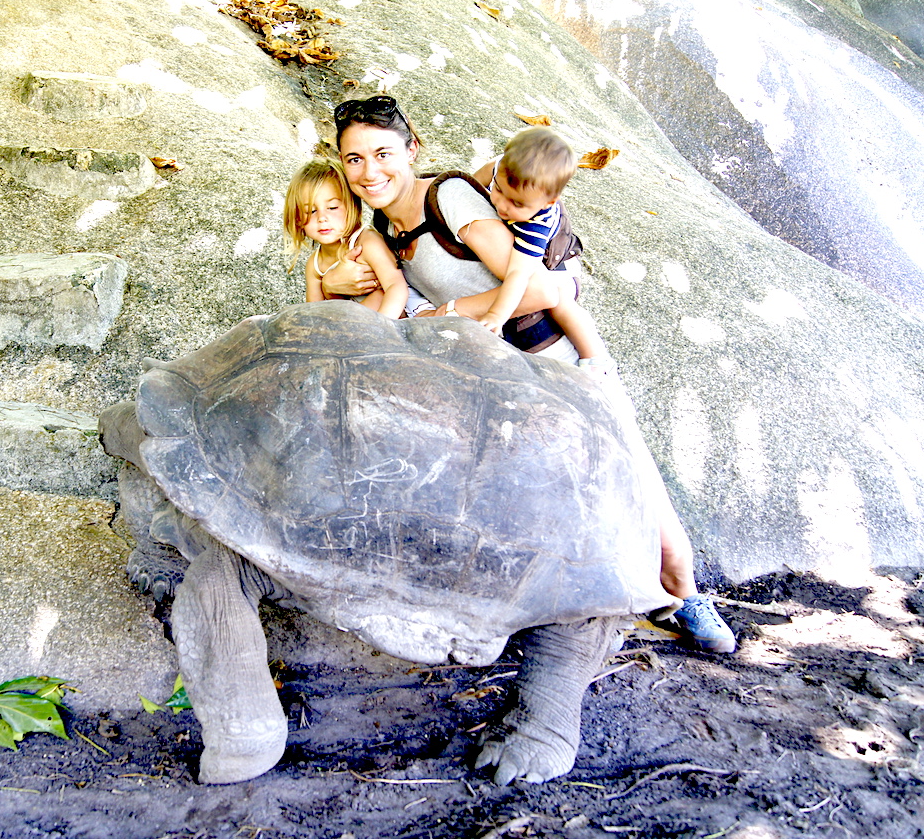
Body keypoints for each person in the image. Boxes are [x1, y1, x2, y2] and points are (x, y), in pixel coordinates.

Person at [323, 94, 735, 654]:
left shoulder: (449, 199)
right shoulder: (381, 228)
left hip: (555, 361)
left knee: (637, 489)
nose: (370, 172)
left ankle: (685, 594)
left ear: (412, 147)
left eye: (382, 153)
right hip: (498, 382)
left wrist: (448, 313)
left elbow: (543, 287)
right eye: (354, 159)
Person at [470, 127, 607, 362]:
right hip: (521, 237)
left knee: (558, 300)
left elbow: (518, 275)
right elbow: (470, 185)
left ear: (549, 201)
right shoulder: (503, 168)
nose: (502, 205)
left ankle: (595, 358)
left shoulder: (536, 224)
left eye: (516, 203)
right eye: (499, 190)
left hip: (556, 259)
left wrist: (495, 315)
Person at [282, 158, 408, 319]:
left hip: (386, 321)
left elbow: (396, 286)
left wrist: (383, 329)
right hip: (346, 328)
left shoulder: (366, 242)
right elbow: (315, 315)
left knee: (380, 296)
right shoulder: (314, 265)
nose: (322, 218)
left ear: (352, 206)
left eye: (333, 207)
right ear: (298, 219)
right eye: (311, 211)